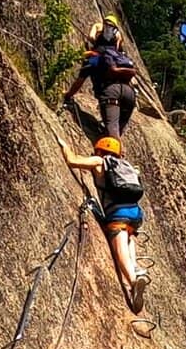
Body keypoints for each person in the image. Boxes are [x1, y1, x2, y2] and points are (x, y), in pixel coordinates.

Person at [57, 134, 150, 313]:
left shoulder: (100, 161)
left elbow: (72, 161)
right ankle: (136, 269)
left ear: (100, 149)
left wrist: (64, 145)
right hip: (135, 213)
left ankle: (132, 281)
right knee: (129, 235)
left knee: (119, 244)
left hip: (117, 212)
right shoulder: (127, 166)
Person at [63, 13, 137, 140]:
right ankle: (114, 146)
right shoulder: (121, 59)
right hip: (129, 96)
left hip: (111, 93)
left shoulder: (94, 58)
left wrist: (68, 95)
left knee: (112, 135)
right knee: (116, 131)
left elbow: (80, 81)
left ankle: (113, 157)